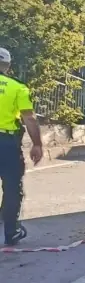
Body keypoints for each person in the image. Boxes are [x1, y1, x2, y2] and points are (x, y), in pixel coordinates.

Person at [0, 48, 42, 246]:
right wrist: (37, 144)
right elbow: (29, 118)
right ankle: (11, 231)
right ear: (7, 66)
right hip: (6, 144)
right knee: (11, 187)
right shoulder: (18, 87)